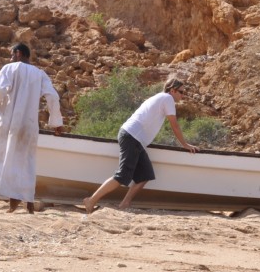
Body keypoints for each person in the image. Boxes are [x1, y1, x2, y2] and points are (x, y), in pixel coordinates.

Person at [83, 77, 198, 214]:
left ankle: (124, 205)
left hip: (135, 139)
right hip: (132, 136)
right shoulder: (167, 99)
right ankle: (90, 200)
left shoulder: (160, 97)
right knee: (122, 175)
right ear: (172, 90)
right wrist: (184, 144)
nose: (182, 95)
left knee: (145, 175)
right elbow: (174, 125)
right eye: (181, 92)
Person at [0, 43, 63, 214]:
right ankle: (28, 203)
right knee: (25, 163)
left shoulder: (9, 68)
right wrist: (56, 122)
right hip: (28, 125)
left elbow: (0, 90)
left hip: (8, 123)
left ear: (18, 53)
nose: (11, 58)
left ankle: (13, 204)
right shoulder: (40, 74)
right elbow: (53, 96)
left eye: (11, 54)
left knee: (5, 161)